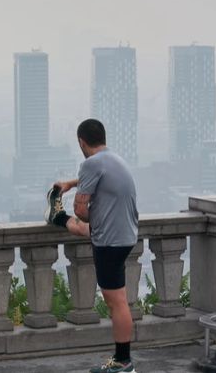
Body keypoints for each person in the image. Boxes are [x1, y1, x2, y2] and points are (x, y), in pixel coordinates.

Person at [48, 119, 139, 373]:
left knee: (116, 302)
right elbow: (98, 179)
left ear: (81, 142)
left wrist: (84, 209)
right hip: (125, 234)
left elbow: (82, 209)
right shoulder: (113, 159)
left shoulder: (90, 163)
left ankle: (123, 361)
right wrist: (72, 184)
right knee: (80, 228)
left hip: (110, 241)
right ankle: (57, 217)